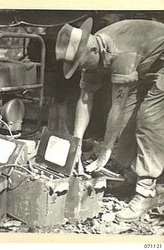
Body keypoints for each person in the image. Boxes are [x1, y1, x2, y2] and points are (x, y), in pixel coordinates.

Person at [55, 17, 164, 221]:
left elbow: (117, 106)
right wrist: (76, 144)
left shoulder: (121, 54)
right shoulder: (93, 52)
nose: (82, 68)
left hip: (160, 64)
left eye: (81, 63)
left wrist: (106, 149)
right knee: (127, 120)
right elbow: (85, 98)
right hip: (147, 65)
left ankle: (146, 192)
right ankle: (132, 175)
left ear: (94, 51)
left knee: (148, 120)